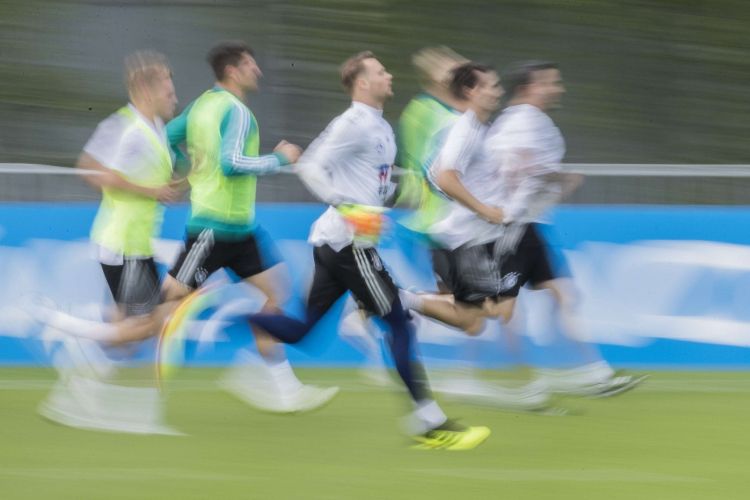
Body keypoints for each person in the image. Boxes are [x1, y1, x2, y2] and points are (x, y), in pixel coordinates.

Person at [244, 51, 491, 450]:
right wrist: (348, 207)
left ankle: (246, 320)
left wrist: (393, 197)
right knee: (398, 322)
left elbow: (373, 184)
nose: (389, 74)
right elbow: (309, 167)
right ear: (362, 83)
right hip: (348, 245)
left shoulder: (379, 127)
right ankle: (430, 423)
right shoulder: (351, 123)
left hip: (337, 243)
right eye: (380, 71)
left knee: (306, 333)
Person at [162, 41, 339, 413]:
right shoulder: (237, 111)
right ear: (234, 70)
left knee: (278, 294)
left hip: (241, 230)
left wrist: (185, 170)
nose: (257, 71)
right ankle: (95, 352)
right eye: (251, 65)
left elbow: (167, 138)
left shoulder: (200, 105)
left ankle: (281, 387)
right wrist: (281, 158)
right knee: (163, 303)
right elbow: (231, 163)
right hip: (212, 227)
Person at [37, 50, 182, 434]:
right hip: (122, 243)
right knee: (151, 323)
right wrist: (149, 190)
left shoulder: (155, 128)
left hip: (137, 243)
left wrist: (166, 187)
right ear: (149, 90)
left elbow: (147, 182)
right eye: (169, 90)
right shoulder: (126, 126)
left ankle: (81, 386)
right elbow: (93, 170)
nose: (175, 96)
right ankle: (72, 336)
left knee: (126, 336)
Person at [481, 60, 646, 397]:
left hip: (530, 225)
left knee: (563, 294)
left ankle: (593, 372)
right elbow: (522, 167)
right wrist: (561, 178)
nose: (559, 88)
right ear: (530, 87)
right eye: (551, 82)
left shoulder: (521, 121)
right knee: (505, 307)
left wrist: (554, 182)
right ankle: (522, 377)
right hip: (512, 226)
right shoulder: (521, 122)